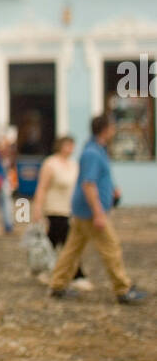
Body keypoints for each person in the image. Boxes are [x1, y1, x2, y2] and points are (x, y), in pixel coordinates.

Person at [49, 114, 145, 304]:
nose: (114, 130)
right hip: (90, 212)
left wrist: (112, 189)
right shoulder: (92, 153)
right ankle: (123, 289)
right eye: (112, 127)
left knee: (72, 249)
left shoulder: (97, 149)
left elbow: (100, 177)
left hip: (84, 211)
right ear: (105, 129)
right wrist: (98, 213)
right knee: (111, 247)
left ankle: (58, 285)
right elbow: (88, 184)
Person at [32, 136, 90, 289]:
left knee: (54, 243)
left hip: (69, 210)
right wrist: (37, 208)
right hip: (54, 210)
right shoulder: (50, 164)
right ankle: (77, 274)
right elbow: (42, 187)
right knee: (67, 243)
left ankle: (45, 270)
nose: (71, 148)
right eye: (68, 145)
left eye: (72, 145)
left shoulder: (73, 165)